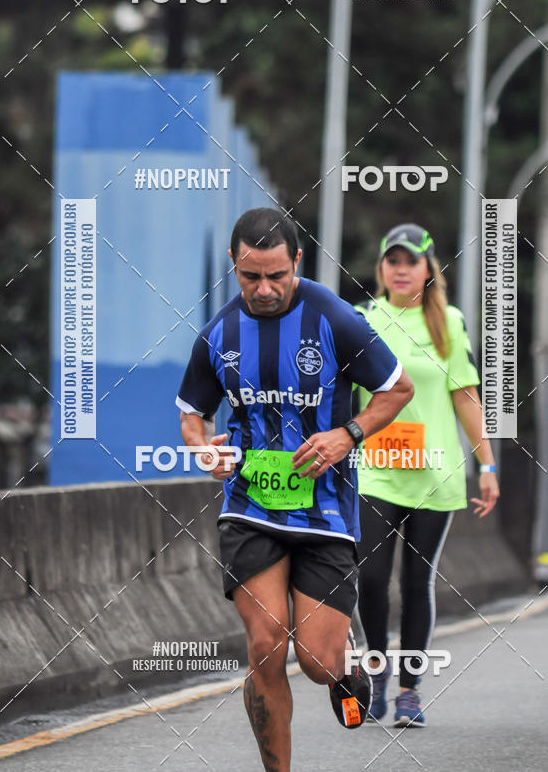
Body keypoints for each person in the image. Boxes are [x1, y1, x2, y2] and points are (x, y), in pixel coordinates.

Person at [176, 207, 414, 772]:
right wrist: (203, 448)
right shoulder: (219, 334)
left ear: (297, 262)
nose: (264, 288)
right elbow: (191, 413)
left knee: (316, 661)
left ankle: (345, 664)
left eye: (276, 275)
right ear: (234, 265)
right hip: (251, 505)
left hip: (325, 510)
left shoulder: (336, 319)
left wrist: (346, 434)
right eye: (250, 276)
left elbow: (396, 389)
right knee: (265, 646)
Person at [355, 223, 500, 727]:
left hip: (435, 475)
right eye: (391, 260)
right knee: (371, 581)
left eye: (409, 261)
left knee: (417, 583)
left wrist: (487, 463)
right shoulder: (363, 320)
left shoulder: (450, 324)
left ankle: (410, 692)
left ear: (427, 269)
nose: (400, 269)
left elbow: (465, 397)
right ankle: (376, 674)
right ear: (381, 269)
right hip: (376, 472)